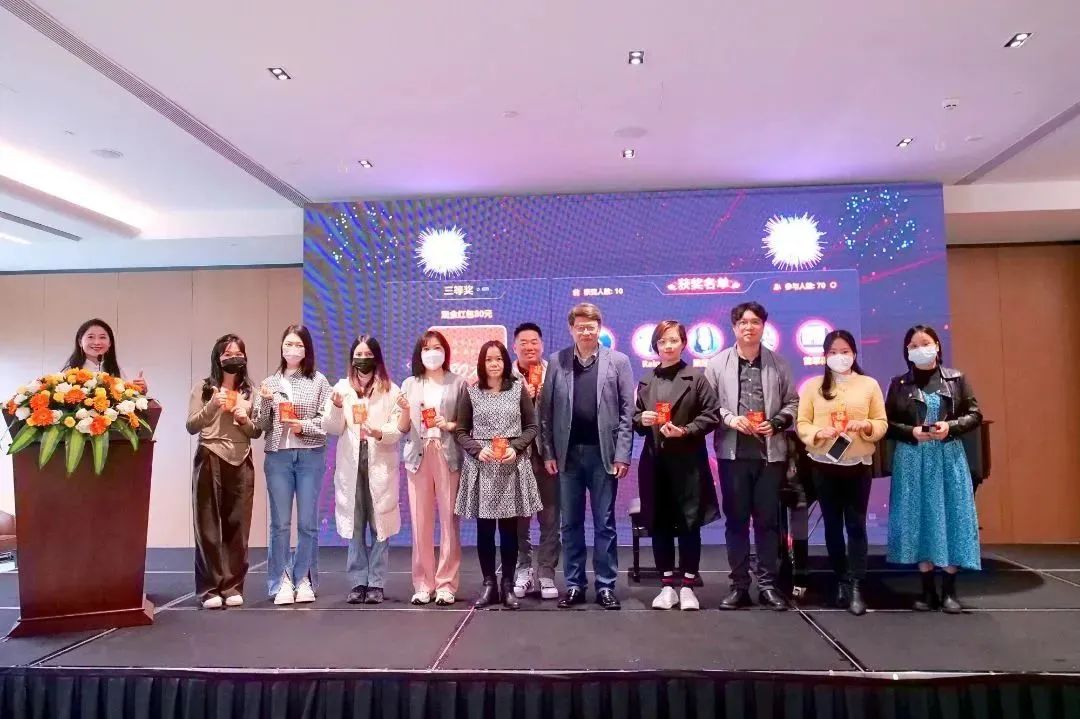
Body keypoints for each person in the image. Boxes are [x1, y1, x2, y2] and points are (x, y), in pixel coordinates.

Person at [541, 303, 635, 610]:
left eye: (591, 327)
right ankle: (574, 585)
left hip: (603, 454)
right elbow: (546, 413)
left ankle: (606, 586)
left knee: (604, 523)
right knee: (570, 523)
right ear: (571, 329)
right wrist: (549, 452)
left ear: (599, 328)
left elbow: (627, 411)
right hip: (567, 456)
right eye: (580, 327)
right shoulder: (557, 361)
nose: (585, 332)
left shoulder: (618, 361)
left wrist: (623, 454)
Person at [705, 301, 798, 611]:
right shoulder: (717, 364)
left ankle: (768, 586)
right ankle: (739, 586)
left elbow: (793, 403)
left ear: (763, 326)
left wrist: (778, 422)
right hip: (732, 455)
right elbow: (708, 406)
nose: (749, 327)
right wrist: (731, 419)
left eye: (755, 322)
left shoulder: (778, 364)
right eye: (743, 322)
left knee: (768, 523)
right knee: (736, 522)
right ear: (734, 327)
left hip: (770, 456)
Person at [885, 325, 982, 613]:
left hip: (948, 455)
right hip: (912, 457)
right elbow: (887, 423)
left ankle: (949, 591)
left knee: (953, 515)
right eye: (913, 346)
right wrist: (911, 431)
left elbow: (975, 414)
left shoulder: (956, 378)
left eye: (925, 343)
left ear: (937, 345)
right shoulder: (899, 384)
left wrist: (950, 427)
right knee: (919, 517)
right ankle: (927, 590)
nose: (920, 349)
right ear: (906, 352)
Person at [795, 330, 887, 616]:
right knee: (832, 526)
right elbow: (802, 423)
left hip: (858, 466)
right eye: (833, 352)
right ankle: (841, 580)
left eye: (844, 351)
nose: (839, 356)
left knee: (856, 525)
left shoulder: (869, 384)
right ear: (825, 356)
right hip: (823, 465)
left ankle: (858, 584)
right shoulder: (813, 387)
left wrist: (867, 426)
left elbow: (881, 422)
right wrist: (817, 433)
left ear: (854, 353)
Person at [633, 320, 721, 611]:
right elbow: (635, 418)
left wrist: (685, 430)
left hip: (688, 463)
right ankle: (667, 586)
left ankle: (688, 586)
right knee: (659, 525)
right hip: (655, 463)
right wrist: (641, 419)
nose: (668, 346)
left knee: (689, 524)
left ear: (683, 343)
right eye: (662, 341)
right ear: (655, 346)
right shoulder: (646, 381)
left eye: (673, 340)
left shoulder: (696, 378)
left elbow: (712, 415)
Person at [454, 341, 543, 609]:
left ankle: (507, 585)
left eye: (498, 359)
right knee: (484, 530)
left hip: (511, 464)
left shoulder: (517, 389)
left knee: (508, 530)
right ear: (482, 363)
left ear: (505, 362)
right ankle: (488, 584)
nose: (494, 364)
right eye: (489, 359)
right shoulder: (471, 392)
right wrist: (476, 449)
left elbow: (531, 427)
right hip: (482, 466)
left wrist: (516, 448)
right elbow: (461, 431)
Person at [255, 324, 331, 606]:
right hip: (278, 457)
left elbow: (328, 422)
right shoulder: (270, 383)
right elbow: (261, 425)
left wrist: (302, 427)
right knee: (280, 524)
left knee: (308, 523)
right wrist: (265, 402)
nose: (293, 349)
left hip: (310, 455)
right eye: (288, 344)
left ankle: (304, 579)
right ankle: (281, 581)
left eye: (299, 345)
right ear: (281, 347)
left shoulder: (319, 381)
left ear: (307, 349)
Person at [325, 335, 402, 605]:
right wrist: (336, 407)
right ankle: (358, 581)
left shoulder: (391, 389)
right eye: (358, 354)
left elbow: (398, 428)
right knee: (355, 521)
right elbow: (331, 427)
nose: (362, 359)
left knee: (380, 521)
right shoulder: (342, 388)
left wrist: (380, 432)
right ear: (351, 358)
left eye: (368, 354)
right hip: (351, 461)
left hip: (379, 458)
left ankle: (376, 582)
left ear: (376, 358)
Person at [185, 334, 261, 609]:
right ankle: (209, 589)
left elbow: (256, 431)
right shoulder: (204, 388)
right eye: (227, 354)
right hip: (210, 453)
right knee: (207, 525)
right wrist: (212, 406)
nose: (233, 358)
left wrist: (243, 419)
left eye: (238, 353)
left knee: (238, 526)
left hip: (241, 458)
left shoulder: (250, 391)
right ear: (218, 358)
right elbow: (191, 425)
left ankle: (232, 586)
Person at [398, 330, 467, 606]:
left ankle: (446, 584)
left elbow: (465, 423)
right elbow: (403, 427)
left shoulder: (458, 383)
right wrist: (405, 410)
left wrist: (446, 424)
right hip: (418, 455)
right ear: (419, 353)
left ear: (445, 351)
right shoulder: (410, 383)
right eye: (426, 349)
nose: (432, 353)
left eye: (437, 347)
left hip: (447, 453)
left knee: (449, 521)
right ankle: (423, 583)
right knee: (420, 522)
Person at [509, 322, 560, 601]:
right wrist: (522, 399)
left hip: (548, 457)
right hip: (517, 457)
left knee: (550, 518)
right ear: (514, 347)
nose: (529, 347)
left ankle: (547, 573)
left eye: (534, 342)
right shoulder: (505, 377)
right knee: (519, 520)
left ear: (542, 345)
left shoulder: (555, 373)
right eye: (524, 342)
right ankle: (523, 570)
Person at [65, 318, 148, 394]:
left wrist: (140, 391)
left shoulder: (116, 370)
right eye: (91, 337)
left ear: (110, 343)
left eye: (102, 337)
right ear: (80, 342)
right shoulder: (69, 373)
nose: (97, 342)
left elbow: (126, 399)